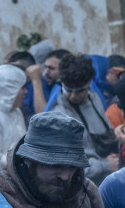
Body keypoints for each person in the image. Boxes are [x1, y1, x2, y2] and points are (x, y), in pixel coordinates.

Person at [51, 54, 120, 185]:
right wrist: (104, 165)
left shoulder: (95, 100)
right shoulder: (60, 115)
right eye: (68, 90)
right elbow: (67, 165)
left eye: (79, 91)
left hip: (107, 175)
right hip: (81, 183)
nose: (73, 96)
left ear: (89, 84)